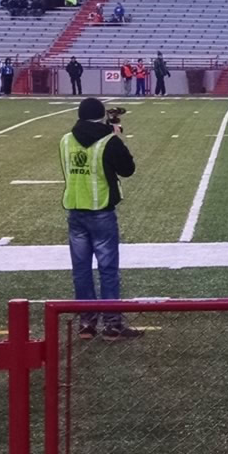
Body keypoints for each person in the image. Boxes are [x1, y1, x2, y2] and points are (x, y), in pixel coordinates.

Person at [62, 97, 142, 341]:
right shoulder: (108, 141)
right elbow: (127, 169)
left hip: (75, 211)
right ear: (101, 116)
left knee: (81, 271)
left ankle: (86, 323)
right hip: (101, 210)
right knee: (107, 269)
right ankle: (112, 324)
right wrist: (114, 135)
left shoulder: (65, 140)